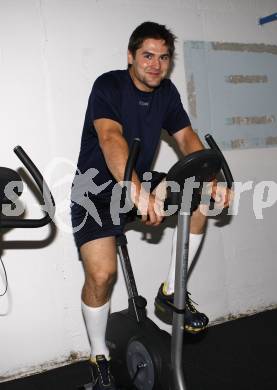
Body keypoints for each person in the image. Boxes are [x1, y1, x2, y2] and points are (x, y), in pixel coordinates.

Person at [71, 21, 229, 390]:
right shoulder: (108, 85)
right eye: (147, 56)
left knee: (200, 194)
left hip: (137, 182)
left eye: (163, 57)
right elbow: (110, 138)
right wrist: (135, 189)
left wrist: (211, 176)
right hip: (94, 191)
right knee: (101, 276)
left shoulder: (167, 92)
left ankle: (171, 292)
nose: (155, 65)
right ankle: (99, 357)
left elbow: (187, 137)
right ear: (131, 56)